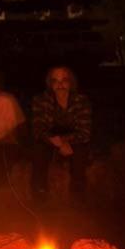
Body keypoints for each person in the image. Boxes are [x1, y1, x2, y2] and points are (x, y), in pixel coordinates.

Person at [31, 66, 91, 205]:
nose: (60, 85)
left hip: (73, 139)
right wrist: (55, 142)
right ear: (50, 84)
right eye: (55, 81)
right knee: (38, 152)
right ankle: (39, 199)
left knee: (80, 156)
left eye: (64, 80)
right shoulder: (40, 100)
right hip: (49, 139)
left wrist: (64, 141)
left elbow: (85, 132)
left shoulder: (82, 101)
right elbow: (38, 129)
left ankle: (78, 201)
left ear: (71, 83)